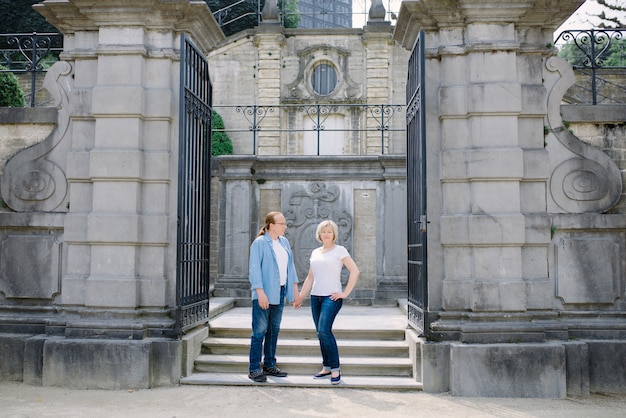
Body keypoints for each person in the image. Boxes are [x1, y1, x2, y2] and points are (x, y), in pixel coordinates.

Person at [296, 219, 359, 385]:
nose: (326, 234)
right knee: (320, 332)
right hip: (315, 297)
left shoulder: (340, 250)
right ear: (319, 234)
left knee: (324, 330)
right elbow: (310, 277)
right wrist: (301, 296)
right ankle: (327, 366)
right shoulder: (316, 252)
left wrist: (345, 293)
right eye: (323, 231)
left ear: (334, 234)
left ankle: (336, 369)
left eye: (329, 231)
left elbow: (355, 271)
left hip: (331, 297)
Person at [248, 211, 302, 383]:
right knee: (259, 331)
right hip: (263, 292)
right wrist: (260, 292)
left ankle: (270, 365)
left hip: (279, 292)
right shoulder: (260, 243)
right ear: (271, 225)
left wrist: (295, 290)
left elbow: (290, 267)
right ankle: (254, 369)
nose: (285, 226)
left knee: (273, 330)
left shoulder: (284, 242)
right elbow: (254, 269)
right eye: (282, 224)